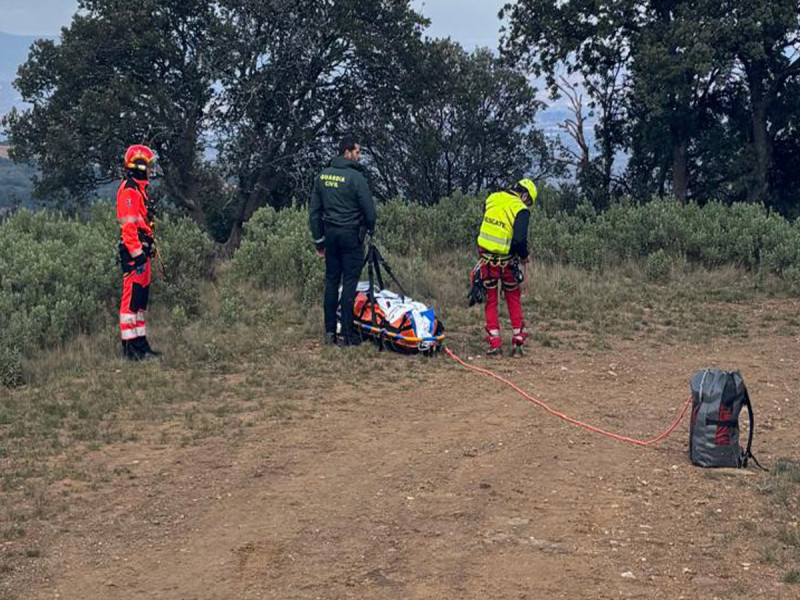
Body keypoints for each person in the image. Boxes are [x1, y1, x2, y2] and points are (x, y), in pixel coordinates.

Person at [309, 135, 376, 346]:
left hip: (330, 235)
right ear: (347, 152)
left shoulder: (322, 176)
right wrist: (369, 229)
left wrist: (319, 242)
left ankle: (330, 332)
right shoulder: (356, 178)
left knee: (331, 282)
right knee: (349, 283)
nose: (359, 156)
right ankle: (346, 334)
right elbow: (370, 212)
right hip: (351, 236)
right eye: (357, 152)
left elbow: (314, 213)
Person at [475, 178, 537, 357]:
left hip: (487, 261)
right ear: (524, 195)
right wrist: (524, 257)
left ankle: (495, 345)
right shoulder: (520, 209)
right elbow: (519, 239)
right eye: (529, 201)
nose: (527, 204)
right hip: (508, 263)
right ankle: (518, 343)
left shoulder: (492, 198)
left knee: (491, 300)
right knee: (512, 298)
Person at [117, 144, 161, 361]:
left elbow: (140, 221)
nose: (151, 171)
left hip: (143, 251)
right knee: (130, 302)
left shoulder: (139, 190)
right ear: (140, 166)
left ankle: (141, 345)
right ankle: (129, 349)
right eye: (148, 166)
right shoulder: (129, 190)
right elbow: (128, 227)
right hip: (135, 255)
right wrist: (137, 254)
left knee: (140, 301)